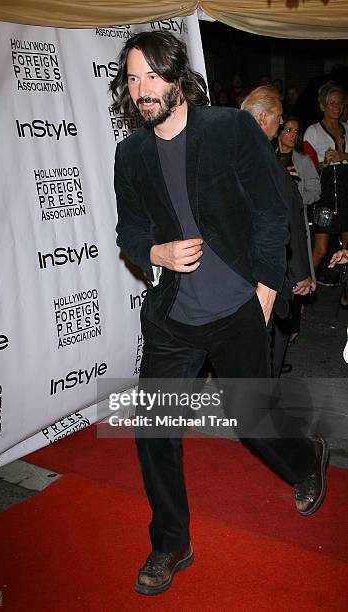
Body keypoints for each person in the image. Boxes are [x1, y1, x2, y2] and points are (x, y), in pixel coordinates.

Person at [111, 32, 327, 597]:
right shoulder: (130, 154)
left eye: (152, 76)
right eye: (133, 79)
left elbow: (270, 208)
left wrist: (265, 285)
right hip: (172, 318)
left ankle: (306, 459)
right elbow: (128, 231)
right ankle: (170, 541)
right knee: (153, 427)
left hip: (237, 306)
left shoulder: (228, 128)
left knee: (251, 420)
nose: (143, 90)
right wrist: (154, 253)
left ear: (177, 75)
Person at [241, 88, 315, 376]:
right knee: (269, 341)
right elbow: (287, 223)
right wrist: (301, 272)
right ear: (264, 118)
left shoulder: (229, 154)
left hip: (237, 270)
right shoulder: (268, 164)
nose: (281, 123)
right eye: (279, 118)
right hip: (270, 271)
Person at [277, 116, 321, 343]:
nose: (293, 135)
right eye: (289, 130)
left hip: (295, 223)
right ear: (279, 131)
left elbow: (316, 192)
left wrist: (293, 196)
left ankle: (292, 328)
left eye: (296, 131)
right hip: (273, 226)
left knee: (296, 275)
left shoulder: (303, 161)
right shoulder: (267, 156)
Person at [303, 82, 348, 307]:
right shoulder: (313, 131)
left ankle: (346, 295)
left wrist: (342, 153)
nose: (336, 107)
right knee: (320, 249)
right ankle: (302, 294)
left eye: (339, 103)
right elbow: (307, 168)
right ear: (323, 106)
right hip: (326, 195)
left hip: (347, 193)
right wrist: (324, 162)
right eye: (331, 103)